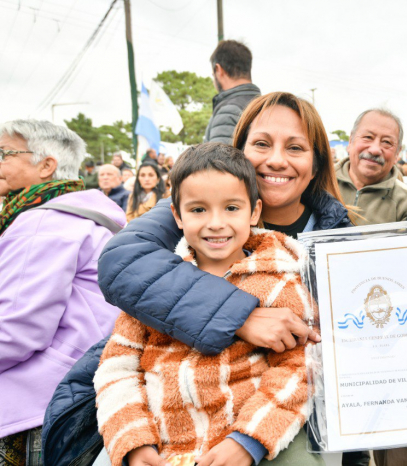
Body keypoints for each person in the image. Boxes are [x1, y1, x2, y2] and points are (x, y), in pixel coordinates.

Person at [95, 144, 322, 466]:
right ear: (177, 215)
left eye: (231, 208)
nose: (216, 223)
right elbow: (117, 367)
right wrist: (133, 442)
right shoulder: (161, 280)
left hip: (240, 445)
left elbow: (301, 368)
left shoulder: (282, 278)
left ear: (254, 212)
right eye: (199, 210)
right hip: (162, 448)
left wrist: (249, 440)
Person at [0, 120, 125, 460]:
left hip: (37, 402)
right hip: (82, 389)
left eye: (4, 153)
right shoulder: (90, 213)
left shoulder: (44, 222)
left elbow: (17, 328)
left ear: (46, 165)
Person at [335, 109, 407, 225]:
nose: (375, 149)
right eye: (368, 137)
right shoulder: (318, 183)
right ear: (351, 141)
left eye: (386, 142)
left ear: (397, 153)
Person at [205, 40, 262, 144]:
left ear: (218, 70)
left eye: (213, 75)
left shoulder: (228, 111)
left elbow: (217, 159)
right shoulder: (264, 105)